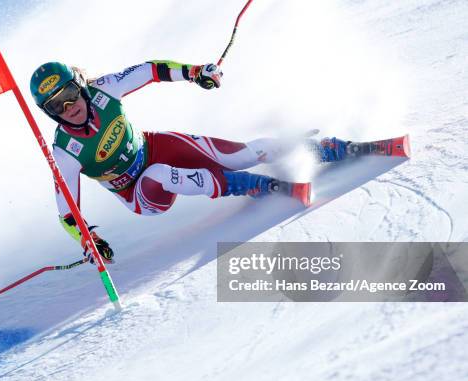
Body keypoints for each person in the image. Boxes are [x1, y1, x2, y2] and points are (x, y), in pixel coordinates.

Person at [30, 61, 348, 263]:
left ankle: (318, 149)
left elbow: (150, 70)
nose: (69, 105)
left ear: (81, 85)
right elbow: (67, 214)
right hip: (140, 194)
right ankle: (257, 186)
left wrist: (194, 73)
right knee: (158, 174)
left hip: (156, 146)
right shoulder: (65, 152)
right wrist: (90, 241)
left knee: (240, 155)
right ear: (49, 112)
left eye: (70, 92)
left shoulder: (105, 90)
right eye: (56, 104)